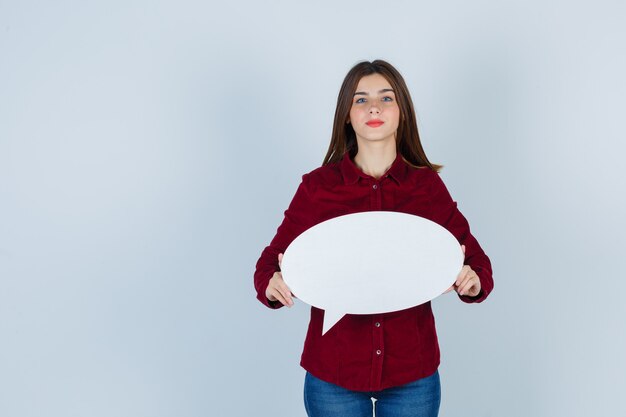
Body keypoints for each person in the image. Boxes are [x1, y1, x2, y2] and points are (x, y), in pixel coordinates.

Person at [253, 59, 494, 417]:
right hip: (333, 373)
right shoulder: (317, 188)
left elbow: (477, 263)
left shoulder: (425, 187)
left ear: (402, 112)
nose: (374, 107)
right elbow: (269, 263)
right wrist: (272, 283)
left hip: (412, 374)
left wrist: (471, 281)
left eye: (386, 97)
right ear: (347, 115)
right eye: (361, 100)